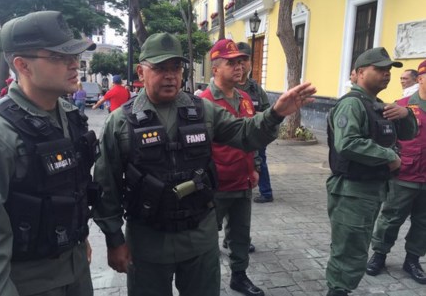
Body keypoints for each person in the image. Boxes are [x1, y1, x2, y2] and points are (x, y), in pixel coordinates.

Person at [92, 32, 316, 296]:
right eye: (160, 68)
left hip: (199, 239)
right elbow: (106, 185)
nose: (170, 75)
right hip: (148, 242)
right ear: (141, 72)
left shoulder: (202, 111)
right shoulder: (120, 122)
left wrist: (275, 113)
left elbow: (245, 133)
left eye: (176, 67)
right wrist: (114, 240)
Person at [0, 10, 100, 296]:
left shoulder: (71, 117)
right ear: (22, 65)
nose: (75, 64)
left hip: (75, 271)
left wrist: (79, 238)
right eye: (60, 58)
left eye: (74, 56)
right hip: (28, 284)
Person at [325, 47, 418, 296]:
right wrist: (390, 157)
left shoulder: (377, 105)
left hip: (370, 190)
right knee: (348, 252)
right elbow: (347, 143)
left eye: (389, 70)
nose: (386, 74)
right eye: (380, 69)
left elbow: (409, 134)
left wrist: (406, 114)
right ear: (359, 72)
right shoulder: (352, 105)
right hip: (352, 191)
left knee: (356, 248)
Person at [200, 39, 264, 296]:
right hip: (216, 185)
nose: (239, 68)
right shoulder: (203, 103)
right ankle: (205, 280)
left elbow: (253, 136)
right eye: (231, 63)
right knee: (205, 238)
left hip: (243, 180)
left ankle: (239, 276)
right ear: (215, 68)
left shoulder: (245, 98)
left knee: (240, 234)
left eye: (241, 62)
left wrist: (256, 166)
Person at [366, 59, 426, 284]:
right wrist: (391, 162)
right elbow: (385, 139)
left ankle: (412, 260)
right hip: (405, 176)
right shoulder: (400, 106)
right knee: (391, 218)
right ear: (420, 79)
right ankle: (379, 254)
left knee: (423, 223)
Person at [236, 41, 273, 203]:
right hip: (235, 133)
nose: (242, 63)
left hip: (256, 133)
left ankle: (266, 192)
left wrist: (256, 115)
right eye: (238, 60)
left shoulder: (255, 89)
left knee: (261, 160)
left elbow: (267, 111)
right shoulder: (229, 86)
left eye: (245, 59)